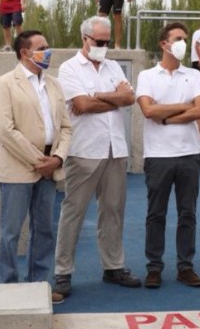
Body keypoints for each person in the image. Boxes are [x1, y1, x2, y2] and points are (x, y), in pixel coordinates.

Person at [53, 16, 140, 298]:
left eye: (107, 42)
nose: (104, 47)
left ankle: (113, 266)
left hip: (116, 149)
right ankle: (63, 271)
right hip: (84, 150)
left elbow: (129, 99)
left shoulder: (113, 66)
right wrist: (112, 97)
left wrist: (100, 96)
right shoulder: (69, 69)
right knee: (73, 212)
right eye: (99, 42)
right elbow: (81, 104)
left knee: (113, 210)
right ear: (85, 39)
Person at [0, 30, 71, 303]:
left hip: (50, 167)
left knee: (44, 230)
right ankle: (10, 288)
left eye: (48, 46)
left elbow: (66, 127)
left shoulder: (54, 85)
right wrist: (39, 162)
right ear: (25, 53)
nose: (48, 51)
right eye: (42, 47)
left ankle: (38, 285)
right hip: (20, 169)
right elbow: (5, 130)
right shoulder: (5, 84)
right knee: (11, 232)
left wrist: (57, 159)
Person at [136, 22, 200, 289]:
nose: (183, 44)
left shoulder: (194, 75)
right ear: (164, 44)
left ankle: (185, 267)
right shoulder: (147, 76)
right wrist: (182, 107)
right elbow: (148, 111)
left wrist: (166, 115)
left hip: (190, 153)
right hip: (158, 155)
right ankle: (154, 267)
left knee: (188, 214)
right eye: (178, 38)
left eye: (184, 39)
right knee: (156, 214)